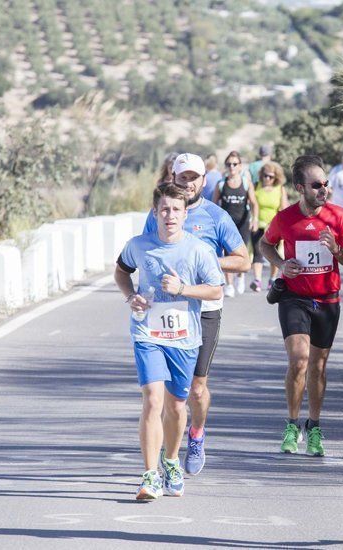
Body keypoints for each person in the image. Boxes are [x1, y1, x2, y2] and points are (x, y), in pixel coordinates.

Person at [115, 183, 225, 500]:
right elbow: (121, 272)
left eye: (176, 210)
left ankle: (172, 460)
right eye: (164, 209)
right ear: (155, 212)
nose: (170, 215)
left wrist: (182, 289)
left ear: (185, 213)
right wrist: (130, 296)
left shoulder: (198, 250)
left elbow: (215, 290)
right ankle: (150, 476)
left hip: (184, 337)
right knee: (153, 400)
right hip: (147, 332)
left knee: (177, 406)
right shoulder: (139, 245)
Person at [143, 153, 250, 476]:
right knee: (161, 391)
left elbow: (243, 260)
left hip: (204, 309)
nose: (188, 183)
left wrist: (201, 262)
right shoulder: (160, 212)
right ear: (172, 178)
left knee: (196, 389)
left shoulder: (216, 217)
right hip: (166, 309)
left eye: (194, 177)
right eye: (183, 177)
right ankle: (166, 452)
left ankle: (197, 434)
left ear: (205, 180)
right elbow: (144, 252)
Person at [259, 155, 343, 457]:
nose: (324, 190)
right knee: (299, 360)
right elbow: (265, 244)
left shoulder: (338, 216)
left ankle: (313, 427)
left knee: (317, 366)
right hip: (294, 298)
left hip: (327, 299)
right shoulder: (286, 218)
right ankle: (291, 425)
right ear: (300, 187)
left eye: (326, 184)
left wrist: (337, 250)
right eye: (317, 185)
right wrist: (280, 263)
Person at [212, 151, 258, 296]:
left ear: (240, 166)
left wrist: (255, 219)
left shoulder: (246, 183)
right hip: (226, 225)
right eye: (229, 164)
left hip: (243, 222)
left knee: (241, 253)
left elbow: (254, 203)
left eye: (234, 164)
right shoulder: (221, 184)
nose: (231, 167)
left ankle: (240, 276)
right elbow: (213, 206)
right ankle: (230, 284)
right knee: (227, 253)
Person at [250, 161, 289, 292]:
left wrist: (274, 225)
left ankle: (272, 279)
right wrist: (253, 219)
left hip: (274, 227)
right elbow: (251, 205)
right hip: (258, 224)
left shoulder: (280, 189)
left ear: (276, 177)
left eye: (271, 176)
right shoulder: (256, 186)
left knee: (274, 253)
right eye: (265, 175)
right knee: (257, 253)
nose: (267, 178)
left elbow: (283, 209)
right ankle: (257, 280)